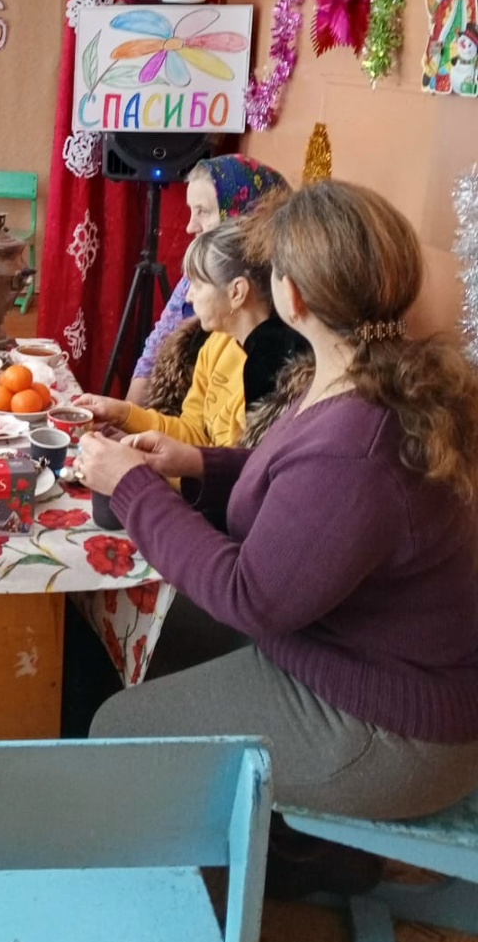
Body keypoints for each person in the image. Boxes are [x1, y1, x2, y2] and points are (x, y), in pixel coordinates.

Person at [77, 181, 478, 893]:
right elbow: (302, 494)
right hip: (345, 652)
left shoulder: (358, 438)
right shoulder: (351, 377)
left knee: (118, 730)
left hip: (390, 727)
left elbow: (251, 596)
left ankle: (207, 905)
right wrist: (198, 464)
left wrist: (133, 488)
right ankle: (281, 853)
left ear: (290, 295)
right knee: (145, 620)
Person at [76, 215, 306, 450]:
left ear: (237, 292)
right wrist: (122, 413)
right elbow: (193, 433)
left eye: (198, 285)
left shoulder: (275, 376)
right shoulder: (215, 345)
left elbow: (236, 467)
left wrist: (145, 460)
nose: (188, 297)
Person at [125, 154, 288, 406]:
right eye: (192, 211)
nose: (190, 226)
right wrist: (125, 414)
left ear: (244, 214)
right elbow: (157, 345)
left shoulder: (277, 306)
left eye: (203, 211)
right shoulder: (195, 276)